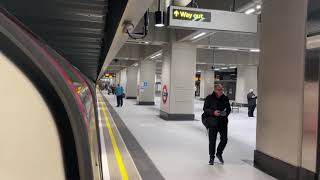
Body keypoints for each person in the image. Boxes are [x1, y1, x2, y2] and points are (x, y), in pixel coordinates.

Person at [202, 84, 231, 166]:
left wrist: (226, 113)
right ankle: (211, 157)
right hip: (212, 122)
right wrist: (213, 112)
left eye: (221, 89)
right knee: (212, 141)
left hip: (223, 122)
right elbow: (205, 109)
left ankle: (219, 153)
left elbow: (228, 109)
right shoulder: (209, 98)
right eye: (218, 89)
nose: (220, 91)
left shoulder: (225, 98)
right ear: (215, 90)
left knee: (224, 139)